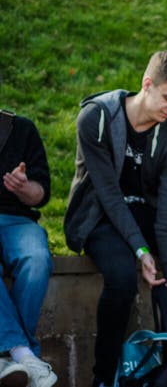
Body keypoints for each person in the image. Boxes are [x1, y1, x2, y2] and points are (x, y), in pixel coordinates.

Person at [64, 51, 167, 387]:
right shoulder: (95, 119)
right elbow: (109, 194)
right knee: (122, 277)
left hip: (150, 215)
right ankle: (103, 379)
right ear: (147, 85)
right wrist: (141, 251)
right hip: (99, 217)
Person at [0, 110, 57, 387]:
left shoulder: (21, 128)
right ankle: (25, 355)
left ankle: (7, 358)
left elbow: (41, 194)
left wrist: (23, 188)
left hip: (17, 220)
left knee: (36, 259)